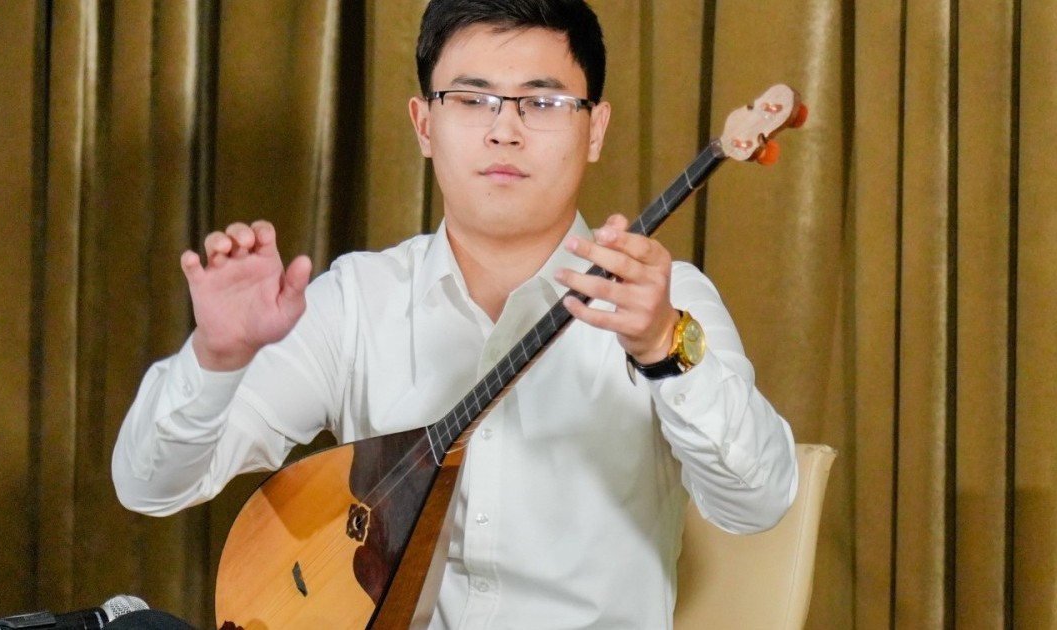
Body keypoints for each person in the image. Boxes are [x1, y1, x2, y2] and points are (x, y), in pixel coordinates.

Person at [112, 0, 798, 627]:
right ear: (424, 124)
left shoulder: (664, 302)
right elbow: (150, 485)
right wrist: (216, 360)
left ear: (595, 129)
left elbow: (759, 502)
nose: (505, 130)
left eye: (544, 101)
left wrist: (663, 348)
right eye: (472, 99)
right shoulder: (357, 301)